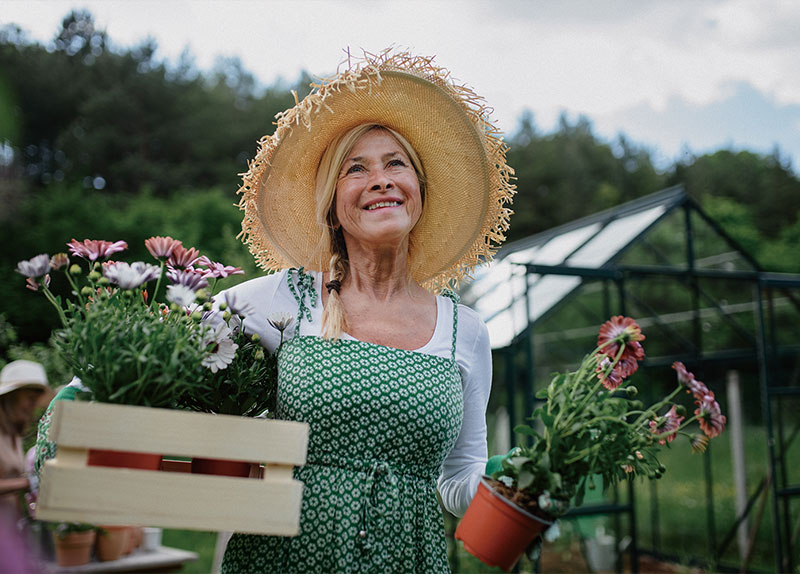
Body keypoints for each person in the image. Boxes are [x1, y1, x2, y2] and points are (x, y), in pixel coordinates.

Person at [216, 49, 515, 573]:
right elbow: (176, 350)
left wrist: (513, 477)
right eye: (357, 169)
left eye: (395, 164)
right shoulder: (281, 300)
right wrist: (84, 392)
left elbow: (457, 478)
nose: (380, 179)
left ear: (418, 191)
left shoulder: (463, 332)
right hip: (281, 559)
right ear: (334, 203)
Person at [0, 360, 51, 520]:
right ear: (10, 397)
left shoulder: (12, 433)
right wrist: (29, 482)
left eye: (36, 400)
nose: (33, 405)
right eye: (29, 398)